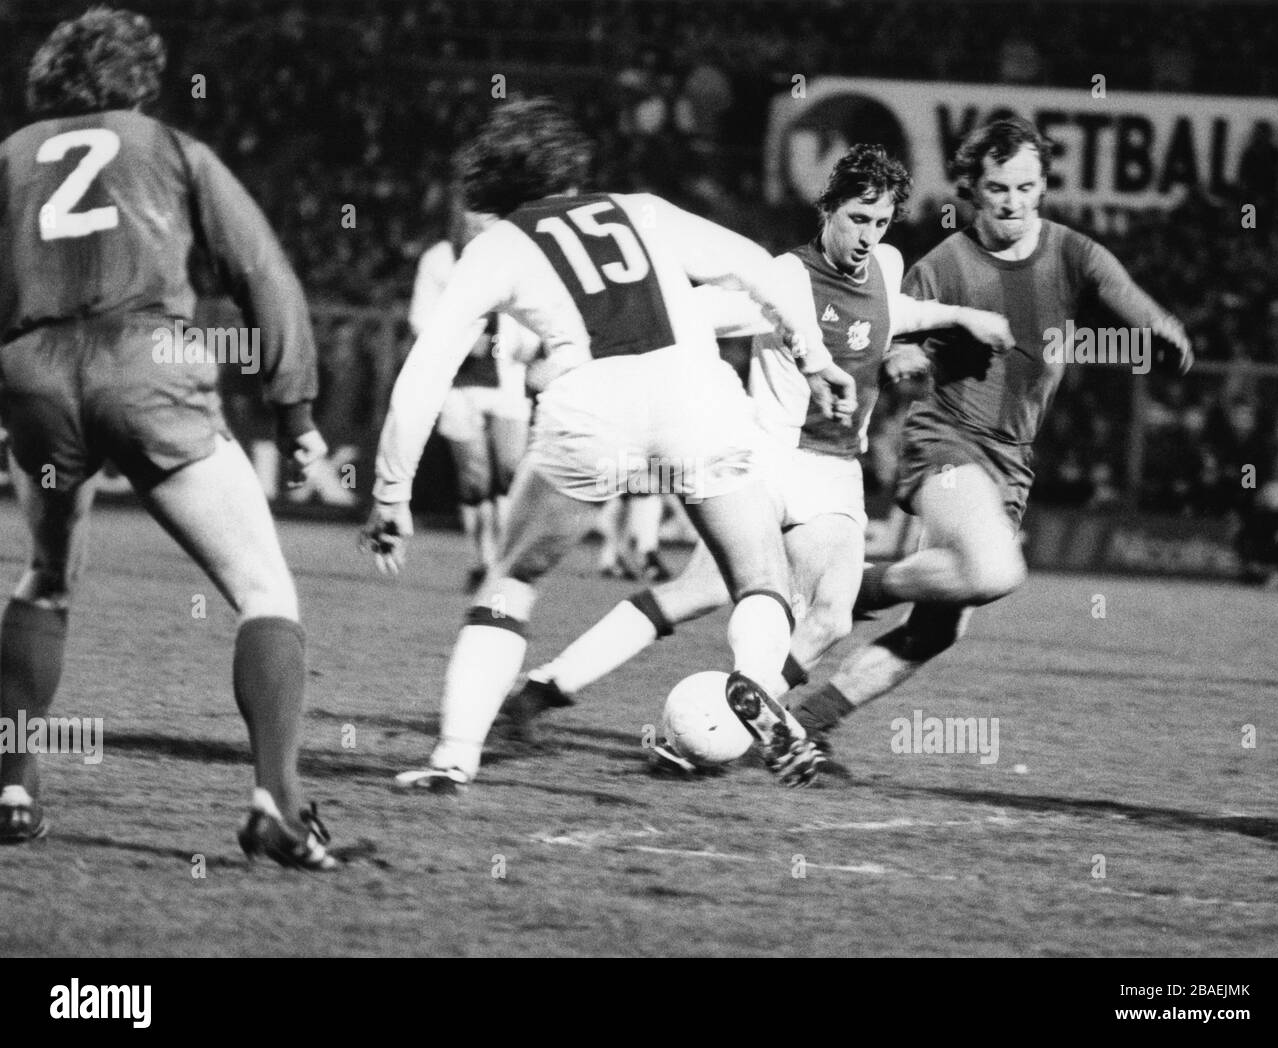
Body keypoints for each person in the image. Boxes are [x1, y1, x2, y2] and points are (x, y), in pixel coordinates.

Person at [359, 97, 857, 791]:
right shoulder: (641, 209)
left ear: (496, 184)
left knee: (511, 581)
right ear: (570, 169)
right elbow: (761, 269)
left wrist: (390, 492)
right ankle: (752, 682)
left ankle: (454, 758)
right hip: (697, 397)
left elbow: (424, 373)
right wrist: (815, 360)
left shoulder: (496, 246)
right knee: (761, 580)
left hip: (592, 410)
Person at [499, 146, 1013, 780]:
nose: (865, 236)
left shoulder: (886, 264)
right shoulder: (785, 278)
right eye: (855, 218)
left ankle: (735, 720)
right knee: (698, 592)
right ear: (827, 208)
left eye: (879, 222)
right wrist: (573, 349)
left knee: (829, 614)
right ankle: (542, 691)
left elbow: (889, 316)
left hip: (835, 472)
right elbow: (691, 315)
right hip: (766, 460)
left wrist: (960, 316)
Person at [0, 9, 334, 868]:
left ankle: (8, 785)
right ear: (139, 76)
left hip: (35, 373)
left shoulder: (9, 158)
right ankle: (278, 806)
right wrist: (294, 412)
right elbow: (261, 269)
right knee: (264, 590)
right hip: (147, 364)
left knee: (44, 575)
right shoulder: (170, 146)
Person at [784, 117, 1193, 784]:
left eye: (1026, 186)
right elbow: (895, 357)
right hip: (946, 439)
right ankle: (857, 586)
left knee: (938, 630)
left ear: (1042, 185)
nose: (1012, 201)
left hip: (1013, 458)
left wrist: (1163, 328)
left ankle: (805, 722)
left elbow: (1124, 295)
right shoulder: (942, 266)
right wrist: (918, 360)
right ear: (972, 188)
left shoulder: (1071, 251)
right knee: (995, 569)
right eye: (998, 187)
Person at [409, 200, 535, 592]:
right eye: (473, 211)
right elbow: (419, 318)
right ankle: (483, 560)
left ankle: (504, 558)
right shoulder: (439, 260)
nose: (478, 221)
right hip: (458, 384)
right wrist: (462, 340)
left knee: (512, 472)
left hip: (508, 379)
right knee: (476, 478)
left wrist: (533, 346)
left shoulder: (517, 256)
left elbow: (534, 307)